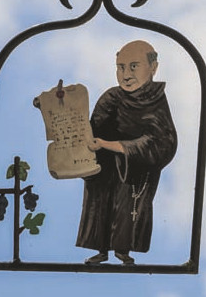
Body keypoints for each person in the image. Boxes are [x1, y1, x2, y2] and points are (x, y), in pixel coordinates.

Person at [76, 40, 177, 265]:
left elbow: (162, 141)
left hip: (135, 171)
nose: (126, 75)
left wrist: (116, 146)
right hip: (105, 170)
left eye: (133, 66)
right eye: (121, 67)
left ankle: (123, 250)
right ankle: (101, 250)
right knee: (100, 207)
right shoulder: (111, 98)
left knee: (127, 210)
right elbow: (91, 131)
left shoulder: (156, 101)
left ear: (153, 68)